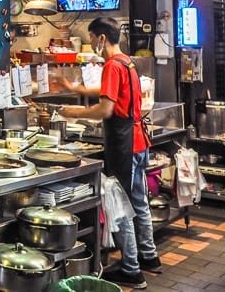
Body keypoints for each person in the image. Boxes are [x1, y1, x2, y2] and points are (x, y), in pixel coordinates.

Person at [59, 17, 159, 289]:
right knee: (139, 202)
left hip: (124, 146)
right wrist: (76, 89)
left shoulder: (112, 66)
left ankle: (131, 270)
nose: (91, 42)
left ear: (102, 38)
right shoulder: (127, 62)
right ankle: (149, 255)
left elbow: (106, 109)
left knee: (122, 206)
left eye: (91, 37)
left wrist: (74, 112)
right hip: (138, 143)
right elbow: (110, 92)